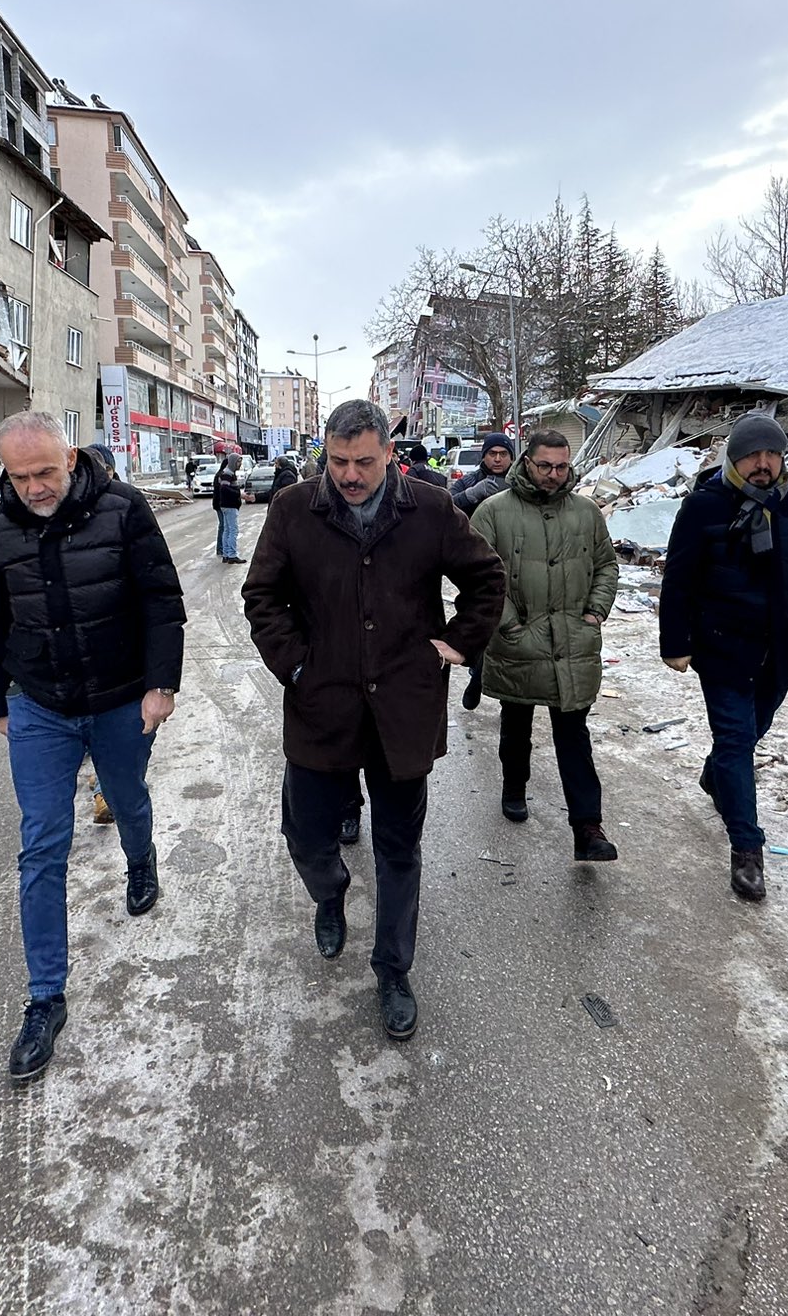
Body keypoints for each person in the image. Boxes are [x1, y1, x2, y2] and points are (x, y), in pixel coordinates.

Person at [243, 400, 505, 1043]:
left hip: (401, 711)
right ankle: (329, 893)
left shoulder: (431, 508)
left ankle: (392, 970)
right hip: (320, 706)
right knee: (305, 835)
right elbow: (262, 597)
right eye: (338, 462)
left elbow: (487, 577)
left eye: (364, 461)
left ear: (390, 452)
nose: (351, 475)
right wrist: (297, 666)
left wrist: (453, 646)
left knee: (397, 847)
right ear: (323, 455)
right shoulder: (293, 509)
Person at [0, 410, 186, 1081]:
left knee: (125, 797)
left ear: (69, 458)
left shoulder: (123, 509)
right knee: (41, 844)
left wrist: (161, 685)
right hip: (38, 704)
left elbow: (162, 599)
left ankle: (140, 856)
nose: (35, 487)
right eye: (20, 475)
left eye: (45, 472)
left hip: (122, 698)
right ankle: (44, 1000)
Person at [659, 412, 788, 902]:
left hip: (782, 647)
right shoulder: (706, 506)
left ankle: (716, 777)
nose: (763, 463)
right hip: (722, 644)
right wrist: (676, 643)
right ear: (735, 458)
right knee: (736, 740)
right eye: (753, 454)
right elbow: (679, 580)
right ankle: (747, 850)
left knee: (752, 732)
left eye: (772, 454)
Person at [471, 430, 620, 860]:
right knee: (516, 722)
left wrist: (594, 612)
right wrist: (509, 625)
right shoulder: (494, 512)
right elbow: (477, 576)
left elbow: (606, 565)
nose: (554, 475)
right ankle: (514, 785)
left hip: (573, 642)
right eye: (545, 466)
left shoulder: (586, 512)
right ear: (527, 463)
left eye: (561, 467)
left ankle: (588, 828)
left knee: (573, 735)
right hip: (519, 639)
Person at [452, 431, 518, 710]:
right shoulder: (472, 481)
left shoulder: (520, 482)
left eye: (503, 454)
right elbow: (445, 505)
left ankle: (500, 690)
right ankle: (478, 674)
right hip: (476, 563)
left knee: (508, 628)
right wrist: (470, 495)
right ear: (484, 457)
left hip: (516, 561)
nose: (498, 459)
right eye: (493, 454)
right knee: (483, 622)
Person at [213, 453, 247, 563]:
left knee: (227, 530)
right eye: (238, 461)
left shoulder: (229, 473)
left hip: (227, 505)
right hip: (229, 505)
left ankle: (226, 554)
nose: (240, 464)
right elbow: (224, 489)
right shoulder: (227, 474)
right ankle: (232, 555)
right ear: (232, 462)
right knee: (233, 530)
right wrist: (239, 494)